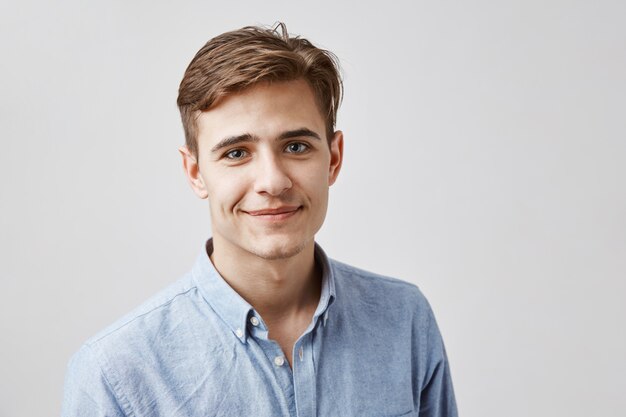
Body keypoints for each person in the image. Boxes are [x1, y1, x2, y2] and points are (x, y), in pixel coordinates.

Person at [62, 23, 458, 417]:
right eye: (236, 153)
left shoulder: (404, 319)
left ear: (333, 159)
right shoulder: (115, 374)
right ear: (195, 171)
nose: (272, 181)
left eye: (296, 146)